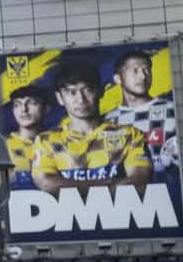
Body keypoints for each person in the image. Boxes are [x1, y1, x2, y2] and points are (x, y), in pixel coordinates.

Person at [33, 60, 152, 193]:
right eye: (72, 92)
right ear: (60, 98)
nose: (81, 99)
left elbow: (140, 180)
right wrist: (109, 183)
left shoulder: (130, 135)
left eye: (88, 89)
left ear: (101, 91)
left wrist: (77, 187)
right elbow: (47, 184)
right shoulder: (46, 141)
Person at [107, 48, 178, 173]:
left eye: (146, 70)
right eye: (135, 71)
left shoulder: (173, 109)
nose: (143, 76)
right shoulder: (108, 120)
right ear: (118, 79)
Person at [3, 84, 54, 189]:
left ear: (46, 108)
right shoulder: (3, 145)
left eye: (31, 103)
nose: (24, 109)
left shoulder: (57, 141)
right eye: (17, 105)